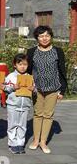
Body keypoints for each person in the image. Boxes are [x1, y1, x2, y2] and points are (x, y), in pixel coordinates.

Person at [27, 25, 67, 154]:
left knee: (48, 115)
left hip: (53, 88)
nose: (44, 38)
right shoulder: (32, 51)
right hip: (36, 88)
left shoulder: (58, 51)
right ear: (37, 38)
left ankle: (43, 142)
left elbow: (62, 71)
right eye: (41, 36)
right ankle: (35, 140)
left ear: (51, 37)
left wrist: (62, 90)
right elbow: (28, 71)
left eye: (47, 36)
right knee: (38, 114)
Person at [4, 54, 36, 154]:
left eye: (25, 64)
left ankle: (20, 143)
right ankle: (12, 144)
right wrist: (13, 87)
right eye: (20, 64)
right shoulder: (11, 76)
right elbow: (5, 89)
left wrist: (33, 89)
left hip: (25, 105)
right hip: (13, 105)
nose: (23, 66)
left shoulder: (30, 77)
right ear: (15, 65)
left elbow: (35, 91)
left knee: (22, 125)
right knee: (13, 124)